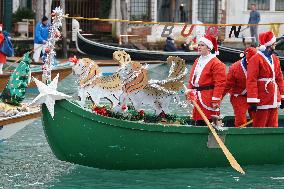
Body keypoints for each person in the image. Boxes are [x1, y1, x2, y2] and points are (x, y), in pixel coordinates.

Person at [186, 35, 226, 126]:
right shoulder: (197, 60)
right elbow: (192, 78)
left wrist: (216, 100)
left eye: (202, 45)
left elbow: (220, 83)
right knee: (198, 121)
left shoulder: (216, 63)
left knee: (211, 121)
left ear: (208, 48)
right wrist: (190, 90)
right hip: (197, 97)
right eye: (198, 45)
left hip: (208, 97)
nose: (199, 47)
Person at [247, 31, 284, 127]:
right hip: (262, 97)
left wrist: (282, 96)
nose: (275, 45)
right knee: (260, 123)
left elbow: (279, 78)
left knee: (274, 124)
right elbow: (251, 80)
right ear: (269, 45)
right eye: (274, 43)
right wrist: (253, 100)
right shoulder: (255, 59)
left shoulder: (275, 58)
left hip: (274, 97)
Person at [223, 47, 257, 127]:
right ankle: (240, 133)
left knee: (259, 117)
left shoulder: (260, 64)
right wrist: (218, 99)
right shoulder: (235, 67)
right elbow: (227, 85)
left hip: (254, 95)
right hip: (238, 96)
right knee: (241, 119)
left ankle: (258, 133)